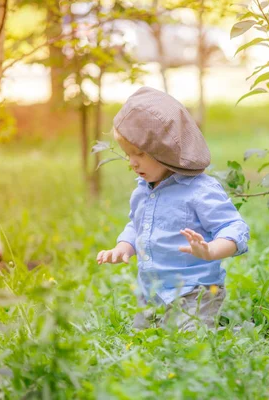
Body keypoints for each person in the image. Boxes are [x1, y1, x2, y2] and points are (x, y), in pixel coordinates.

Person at [96, 87, 250, 331]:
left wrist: (211, 250)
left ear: (167, 151)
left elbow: (234, 227)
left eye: (140, 154)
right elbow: (136, 225)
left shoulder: (200, 190)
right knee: (143, 338)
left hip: (194, 291)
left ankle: (235, 333)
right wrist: (123, 246)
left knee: (190, 341)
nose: (132, 162)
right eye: (128, 154)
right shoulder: (142, 190)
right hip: (152, 293)